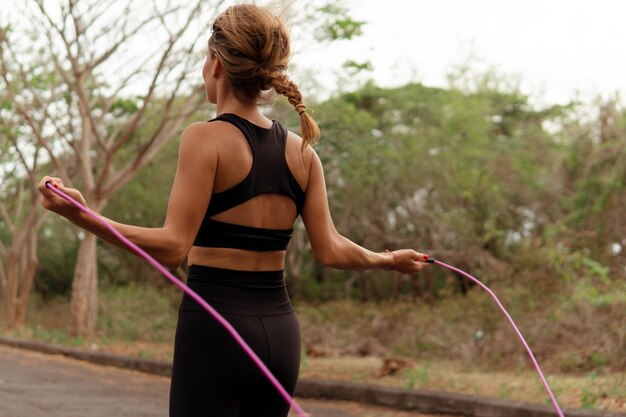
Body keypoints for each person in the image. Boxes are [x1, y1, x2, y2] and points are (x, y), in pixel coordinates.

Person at [38, 4, 429, 417]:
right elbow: (330, 250)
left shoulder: (205, 139)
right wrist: (389, 260)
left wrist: (83, 216)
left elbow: (173, 248)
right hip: (281, 335)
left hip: (217, 331)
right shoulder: (302, 154)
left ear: (217, 64)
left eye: (205, 58)